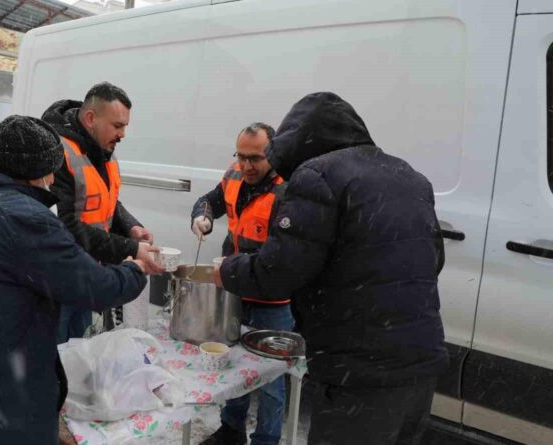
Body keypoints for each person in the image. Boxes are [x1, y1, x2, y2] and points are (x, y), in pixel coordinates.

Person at [214, 92, 449, 445]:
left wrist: (228, 270)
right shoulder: (410, 176)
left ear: (301, 143)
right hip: (420, 365)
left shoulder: (319, 175)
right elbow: (435, 260)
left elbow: (279, 273)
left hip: (358, 374)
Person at [0, 115, 149, 445]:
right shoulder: (24, 217)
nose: (53, 178)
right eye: (51, 169)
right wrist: (135, 269)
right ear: (40, 171)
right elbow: (95, 287)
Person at [192, 123, 294, 445]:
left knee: (271, 380)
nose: (247, 165)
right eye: (242, 157)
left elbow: (283, 257)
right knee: (232, 366)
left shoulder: (288, 191)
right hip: (235, 292)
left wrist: (238, 269)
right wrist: (203, 216)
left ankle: (266, 440)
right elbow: (209, 200)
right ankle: (231, 431)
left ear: (272, 154)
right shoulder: (234, 176)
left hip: (271, 301)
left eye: (256, 158)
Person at [42, 81, 163, 343]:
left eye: (125, 126)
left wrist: (130, 226)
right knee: (57, 356)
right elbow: (66, 226)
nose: (123, 135)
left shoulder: (103, 149)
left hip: (87, 273)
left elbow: (108, 202)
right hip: (60, 278)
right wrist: (131, 248)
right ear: (89, 119)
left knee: (80, 352)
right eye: (117, 126)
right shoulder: (58, 153)